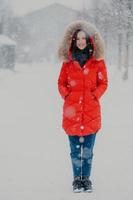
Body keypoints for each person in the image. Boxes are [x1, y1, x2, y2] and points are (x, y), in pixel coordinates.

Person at [57, 20, 108, 193]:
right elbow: (61, 83)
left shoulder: (97, 62)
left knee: (87, 150)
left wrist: (95, 95)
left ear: (88, 41)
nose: (80, 41)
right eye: (77, 39)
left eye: (83, 39)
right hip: (72, 113)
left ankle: (86, 179)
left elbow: (104, 83)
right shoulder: (68, 62)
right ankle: (76, 180)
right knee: (74, 150)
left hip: (91, 113)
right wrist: (67, 95)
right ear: (73, 41)